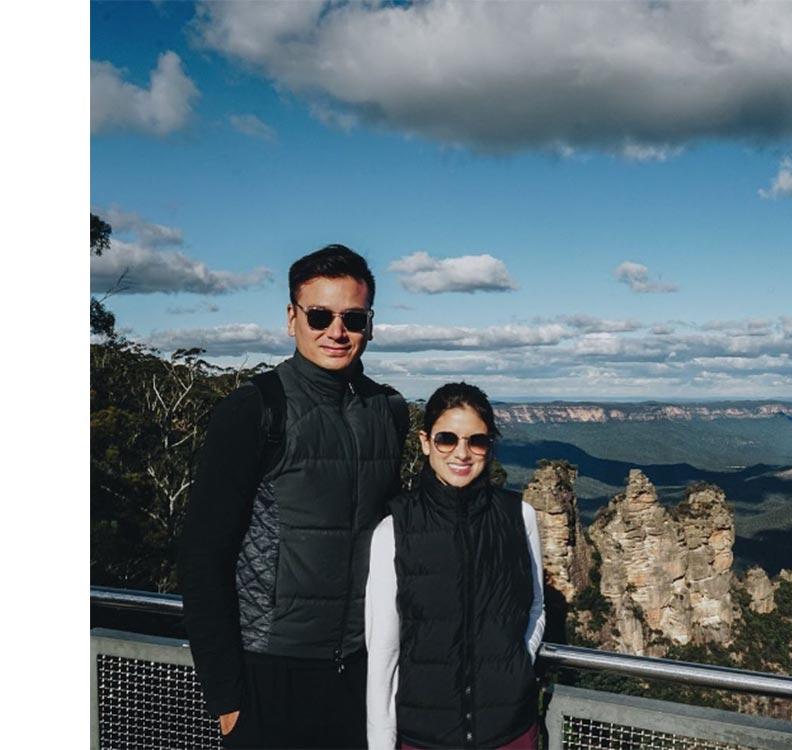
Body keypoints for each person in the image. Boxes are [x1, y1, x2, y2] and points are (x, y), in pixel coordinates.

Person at [179, 244, 407, 749]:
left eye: (353, 317)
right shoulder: (254, 410)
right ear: (292, 318)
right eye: (320, 315)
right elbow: (202, 556)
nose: (336, 331)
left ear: (370, 322)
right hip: (269, 673)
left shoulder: (387, 412)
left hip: (361, 674)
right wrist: (228, 700)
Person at [365, 382, 545, 749]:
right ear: (425, 441)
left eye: (476, 441)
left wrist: (515, 667)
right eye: (447, 438)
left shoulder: (519, 516)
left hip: (510, 734)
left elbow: (535, 607)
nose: (462, 453)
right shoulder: (395, 529)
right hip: (424, 738)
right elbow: (383, 651)